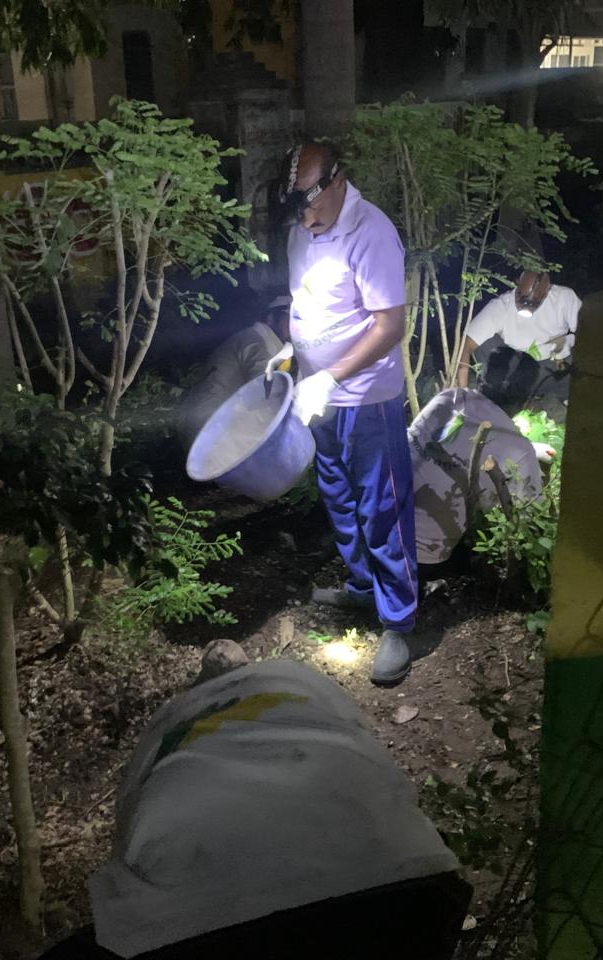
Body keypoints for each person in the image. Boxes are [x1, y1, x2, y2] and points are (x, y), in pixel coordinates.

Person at [36, 657, 470, 960]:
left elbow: (132, 819)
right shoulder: (302, 683)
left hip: (189, 921)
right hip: (401, 881)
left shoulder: (170, 726)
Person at [267, 141, 417, 686]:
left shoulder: (370, 231)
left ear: (336, 180)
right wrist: (293, 352)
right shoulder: (300, 231)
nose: (305, 220)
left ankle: (399, 620)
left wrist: (332, 375)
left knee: (382, 506)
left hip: (366, 398)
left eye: (311, 205)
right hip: (318, 396)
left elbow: (390, 325)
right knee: (338, 497)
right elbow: (305, 304)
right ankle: (362, 588)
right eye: (296, 210)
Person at [454, 270, 582, 418]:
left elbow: (589, 331)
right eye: (522, 299)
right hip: (517, 372)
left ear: (546, 293)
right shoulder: (501, 306)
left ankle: (556, 399)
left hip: (553, 367)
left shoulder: (564, 298)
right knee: (482, 343)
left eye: (534, 302)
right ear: (517, 284)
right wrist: (462, 395)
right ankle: (504, 399)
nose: (526, 305)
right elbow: (466, 346)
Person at [175, 294, 292, 447]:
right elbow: (266, 393)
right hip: (212, 428)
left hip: (206, 425)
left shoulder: (253, 337)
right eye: (288, 318)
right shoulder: (257, 343)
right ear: (271, 318)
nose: (294, 325)